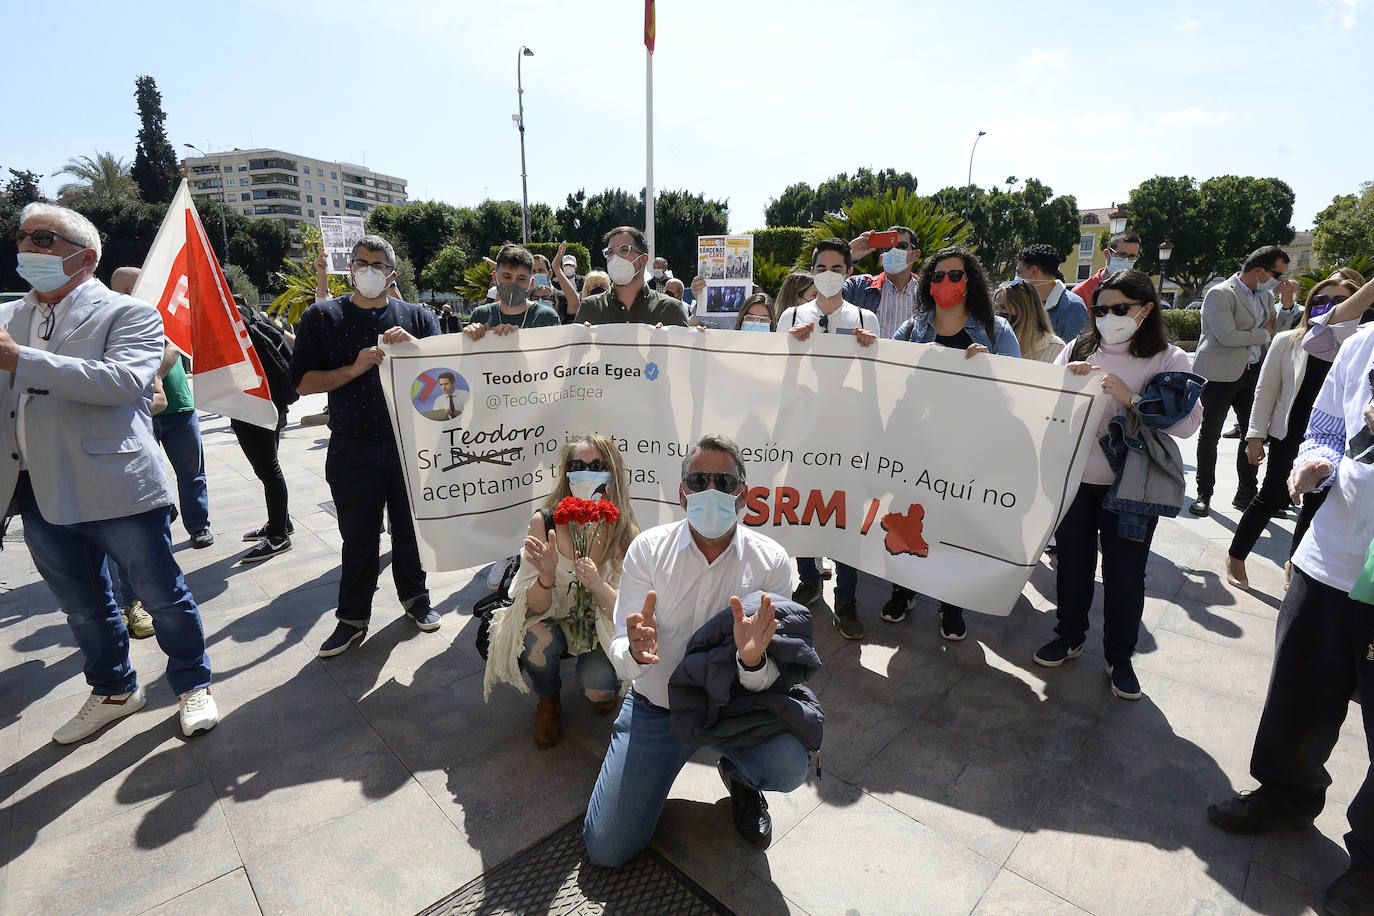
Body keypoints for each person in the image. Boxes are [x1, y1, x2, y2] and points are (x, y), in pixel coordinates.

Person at [3, 202, 219, 742]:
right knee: (83, 607)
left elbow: (122, 383)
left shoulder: (130, 315)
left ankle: (193, 683)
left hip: (116, 486)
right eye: (23, 237)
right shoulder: (9, 318)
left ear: (86, 257)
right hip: (35, 488)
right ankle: (114, 689)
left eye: (45, 240)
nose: (29, 248)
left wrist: (20, 361)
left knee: (163, 596)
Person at [1205, 313, 1374, 916]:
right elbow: (1326, 428)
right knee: (1300, 696)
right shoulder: (1362, 347)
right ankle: (1285, 793)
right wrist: (1317, 462)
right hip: (1331, 558)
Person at [583, 434, 811, 865]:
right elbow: (618, 650)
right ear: (682, 493)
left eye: (724, 482)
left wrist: (752, 661)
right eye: (699, 479)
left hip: (734, 709)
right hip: (656, 709)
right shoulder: (648, 550)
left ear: (742, 495)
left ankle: (741, 777)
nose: (711, 490)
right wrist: (633, 650)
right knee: (607, 850)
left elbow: (778, 674)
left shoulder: (773, 562)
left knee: (788, 764)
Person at [1034, 269, 1203, 700]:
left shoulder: (1169, 358)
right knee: (1072, 564)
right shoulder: (1079, 346)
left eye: (1119, 309)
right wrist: (1065, 382)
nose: (1108, 317)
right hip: (1076, 479)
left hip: (1132, 489)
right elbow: (1046, 404)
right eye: (1101, 309)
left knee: (1125, 575)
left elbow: (1187, 425)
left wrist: (1133, 399)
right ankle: (1069, 635)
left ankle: (1119, 656)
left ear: (1146, 309)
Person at [290, 234, 442, 656]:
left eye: (377, 265)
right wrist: (354, 367)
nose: (368, 271)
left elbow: (446, 380)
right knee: (358, 537)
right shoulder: (323, 317)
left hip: (409, 447)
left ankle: (416, 599)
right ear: (349, 268)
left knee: (410, 532)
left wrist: (416, 353)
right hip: (351, 448)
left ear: (391, 273)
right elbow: (302, 383)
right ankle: (352, 618)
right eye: (361, 263)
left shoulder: (416, 316)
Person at [891, 247, 1021, 638]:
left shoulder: (997, 331)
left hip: (969, 449)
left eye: (955, 275)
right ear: (927, 283)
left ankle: (952, 604)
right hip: (916, 445)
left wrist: (990, 370)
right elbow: (889, 384)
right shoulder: (911, 331)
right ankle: (904, 589)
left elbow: (1018, 394)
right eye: (938, 275)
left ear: (970, 282)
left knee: (956, 528)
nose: (945, 282)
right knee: (909, 521)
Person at [483, 435, 642, 748]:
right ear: (566, 473)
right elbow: (534, 608)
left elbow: (627, 612)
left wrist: (597, 583)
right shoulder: (545, 522)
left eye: (597, 466)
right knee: (535, 641)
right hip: (553, 618)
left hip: (599, 625)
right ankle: (548, 699)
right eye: (577, 466)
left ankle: (603, 689)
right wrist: (544, 577)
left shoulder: (625, 532)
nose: (586, 473)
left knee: (598, 687)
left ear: (612, 472)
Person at [1224, 278, 1358, 591]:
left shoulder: (1360, 346)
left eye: (1341, 300)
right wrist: (1254, 435)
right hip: (1291, 432)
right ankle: (1236, 556)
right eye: (1322, 300)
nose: (1331, 306)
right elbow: (1266, 389)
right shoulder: (1289, 340)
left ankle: (1294, 563)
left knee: (1315, 505)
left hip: (1339, 440)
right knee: (1271, 496)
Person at [775, 240, 879, 639]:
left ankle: (847, 598)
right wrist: (793, 348)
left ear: (849, 272)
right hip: (803, 432)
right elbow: (779, 377)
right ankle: (808, 577)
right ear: (812, 271)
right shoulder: (792, 315)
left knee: (846, 515)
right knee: (803, 506)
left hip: (847, 435)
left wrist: (868, 352)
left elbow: (873, 383)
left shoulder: (866, 318)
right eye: (822, 266)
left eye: (838, 267)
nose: (829, 273)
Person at [110, 267, 215, 548]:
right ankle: (158, 526)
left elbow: (173, 348)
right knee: (145, 477)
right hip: (139, 413)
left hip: (179, 407)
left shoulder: (161, 313)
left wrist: (150, 377)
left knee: (191, 473)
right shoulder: (114, 321)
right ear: (126, 290)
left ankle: (199, 526)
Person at [1188, 245, 1290, 516]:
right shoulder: (1220, 293)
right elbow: (1227, 337)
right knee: (1210, 435)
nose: (1280, 281)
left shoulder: (1266, 298)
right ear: (1260, 271)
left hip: (1253, 371)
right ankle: (1203, 494)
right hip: (1219, 373)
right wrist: (1264, 333)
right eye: (1278, 275)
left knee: (1252, 434)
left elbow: (1278, 332)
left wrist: (1287, 305)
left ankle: (1246, 495)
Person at [232, 296, 297, 563]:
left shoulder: (230, 320)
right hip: (273, 400)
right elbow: (292, 342)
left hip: (252, 404)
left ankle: (279, 537)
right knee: (271, 467)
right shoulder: (250, 313)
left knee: (269, 471)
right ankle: (281, 522)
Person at [576, 227, 689, 327]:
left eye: (624, 250)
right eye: (610, 252)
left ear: (643, 259)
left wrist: (700, 339)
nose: (615, 258)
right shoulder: (589, 308)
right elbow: (572, 350)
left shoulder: (670, 309)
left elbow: (685, 349)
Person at [463, 244, 561, 339]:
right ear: (495, 278)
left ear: (531, 283)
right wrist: (477, 335)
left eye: (521, 279)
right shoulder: (480, 315)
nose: (513, 284)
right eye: (507, 276)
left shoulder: (547, 316)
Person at [844, 225, 923, 340]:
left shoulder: (929, 292)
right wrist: (847, 256)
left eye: (901, 246)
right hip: (868, 357)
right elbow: (824, 295)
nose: (893, 251)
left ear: (916, 254)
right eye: (887, 248)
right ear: (882, 259)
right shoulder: (858, 286)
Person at [1016, 243, 1088, 344]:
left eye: (1019, 272)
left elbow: (1070, 352)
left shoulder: (1072, 306)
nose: (1017, 278)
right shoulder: (1022, 303)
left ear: (1034, 271)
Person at [996, 276, 1066, 363]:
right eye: (996, 308)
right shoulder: (993, 341)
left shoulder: (1056, 347)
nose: (998, 313)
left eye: (1004, 307)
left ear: (1023, 308)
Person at [1071, 230, 1142, 311]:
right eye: (1121, 254)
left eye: (1132, 256)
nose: (1126, 260)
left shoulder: (1137, 292)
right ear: (1107, 254)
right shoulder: (1082, 292)